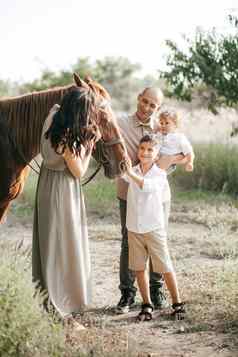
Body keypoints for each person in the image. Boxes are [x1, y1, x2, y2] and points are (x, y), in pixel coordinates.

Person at [32, 87, 101, 322]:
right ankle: (61, 303)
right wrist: (90, 145)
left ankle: (52, 297)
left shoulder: (53, 117)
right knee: (64, 245)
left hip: (47, 185)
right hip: (62, 190)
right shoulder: (66, 137)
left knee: (50, 243)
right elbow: (79, 172)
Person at [116, 87, 178, 313]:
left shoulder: (161, 127)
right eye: (145, 101)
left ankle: (156, 290)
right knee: (127, 242)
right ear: (138, 98)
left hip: (157, 196)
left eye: (153, 105)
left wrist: (168, 163)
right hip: (128, 191)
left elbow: (180, 153)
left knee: (157, 241)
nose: (148, 107)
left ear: (158, 108)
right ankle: (127, 294)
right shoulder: (121, 123)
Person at [123, 134, 185, 321]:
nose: (145, 152)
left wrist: (130, 173)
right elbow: (119, 174)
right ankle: (146, 304)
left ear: (157, 154)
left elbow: (146, 187)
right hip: (134, 227)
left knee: (164, 266)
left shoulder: (159, 174)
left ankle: (177, 303)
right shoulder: (132, 170)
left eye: (150, 150)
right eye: (142, 149)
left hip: (153, 228)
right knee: (139, 268)